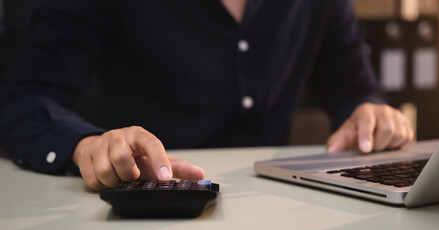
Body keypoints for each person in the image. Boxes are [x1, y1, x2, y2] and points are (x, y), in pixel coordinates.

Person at [0, 0, 413, 191]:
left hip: (280, 209)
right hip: (141, 210)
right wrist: (85, 144)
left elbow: (355, 89)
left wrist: (370, 114)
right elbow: (22, 100)